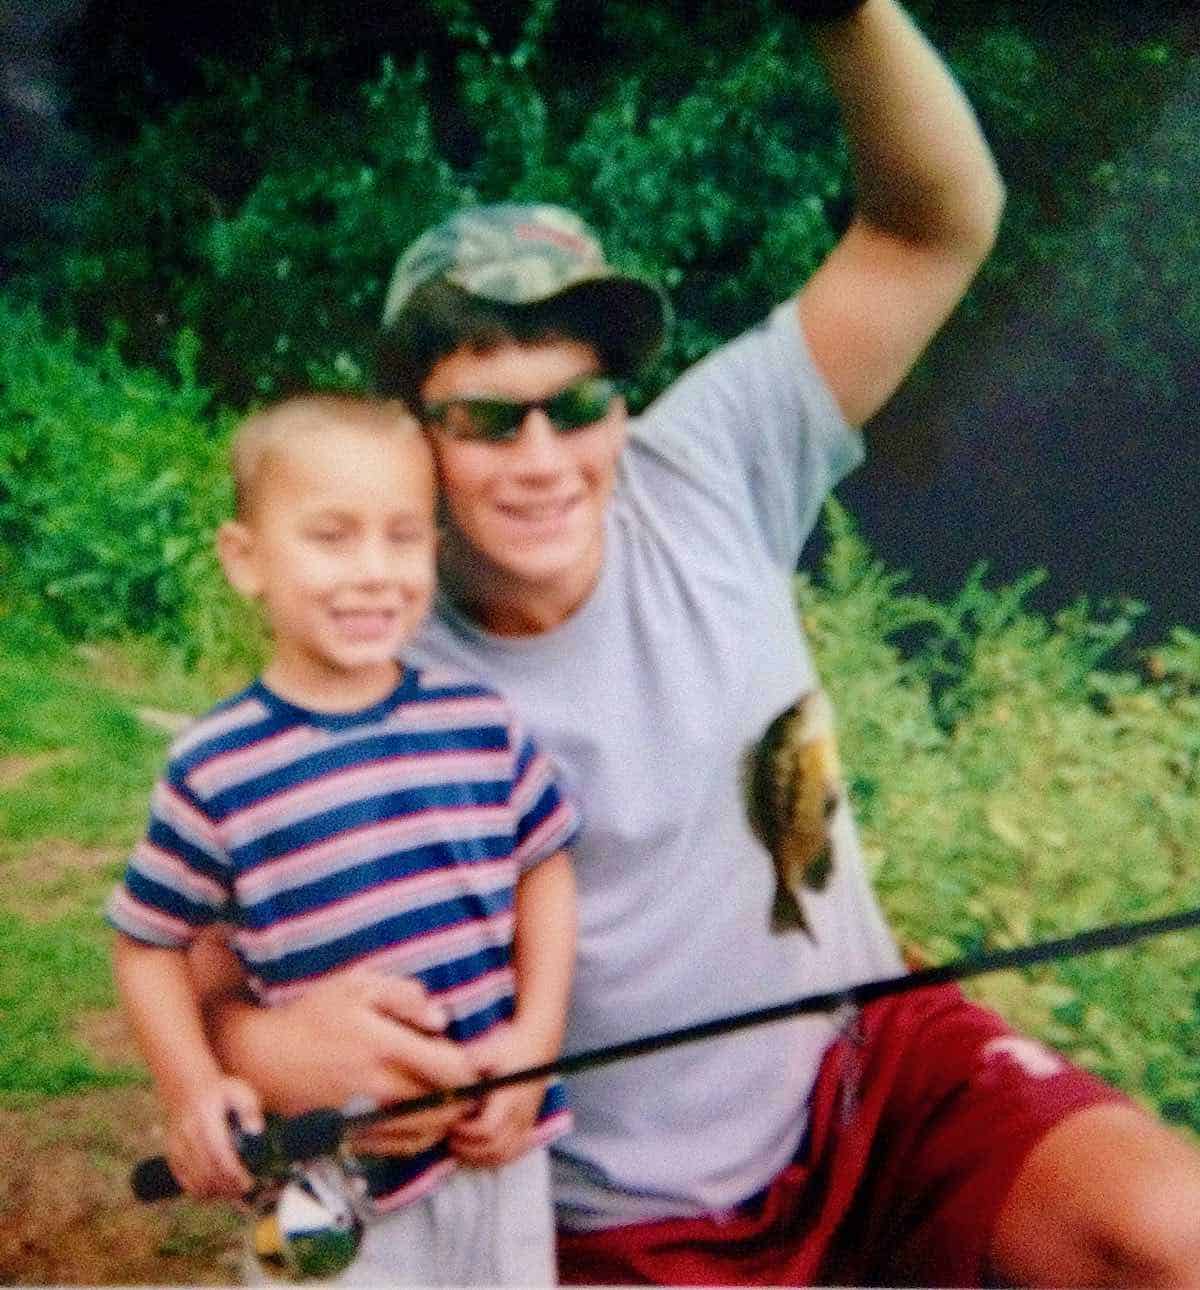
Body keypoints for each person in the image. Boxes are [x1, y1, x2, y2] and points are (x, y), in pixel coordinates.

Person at [200, 1, 1200, 1285]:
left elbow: (935, 224)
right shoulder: (366, 659)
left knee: (1170, 1235)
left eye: (580, 405)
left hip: (873, 1077)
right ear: (412, 435)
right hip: (619, 1219)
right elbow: (208, 960)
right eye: (486, 422)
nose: (546, 461)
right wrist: (264, 1044)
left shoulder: (712, 459)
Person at [108, 395, 579, 1285]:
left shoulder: (482, 721)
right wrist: (193, 1089)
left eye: (403, 537)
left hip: (500, 1155)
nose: (374, 572)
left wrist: (536, 1039)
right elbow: (146, 945)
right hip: (329, 1182)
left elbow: (546, 867)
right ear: (244, 561)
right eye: (331, 537)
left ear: (435, 552)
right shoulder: (215, 765)